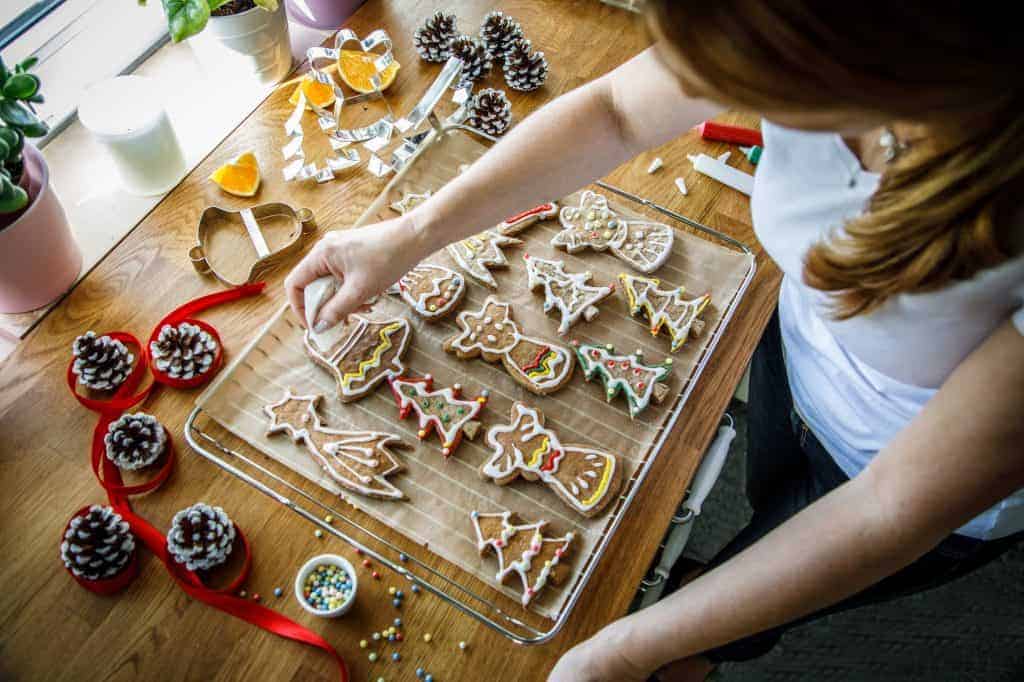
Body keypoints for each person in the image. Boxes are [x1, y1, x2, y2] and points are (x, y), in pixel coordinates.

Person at [285, 2, 1024, 679]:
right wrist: (412, 235)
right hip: (797, 358)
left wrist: (623, 650)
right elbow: (615, 110)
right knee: (762, 498)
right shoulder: (791, 28)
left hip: (903, 477)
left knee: (732, 606)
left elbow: (889, 510)